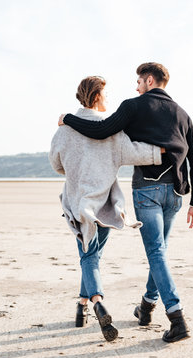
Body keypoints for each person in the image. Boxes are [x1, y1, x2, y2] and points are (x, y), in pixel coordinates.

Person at [59, 63, 193, 343]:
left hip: (147, 190)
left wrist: (68, 118)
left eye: (138, 81)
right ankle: (147, 306)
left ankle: (177, 317)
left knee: (156, 253)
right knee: (159, 251)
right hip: (175, 193)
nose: (136, 87)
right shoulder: (182, 114)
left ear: (149, 80)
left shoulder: (133, 106)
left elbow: (102, 130)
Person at [49, 76, 164, 342]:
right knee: (93, 255)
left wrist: (76, 169)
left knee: (89, 256)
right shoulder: (112, 130)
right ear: (98, 96)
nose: (108, 99)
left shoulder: (64, 129)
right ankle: (85, 305)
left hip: (78, 201)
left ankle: (94, 303)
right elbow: (135, 153)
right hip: (105, 204)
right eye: (106, 94)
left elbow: (56, 164)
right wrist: (164, 151)